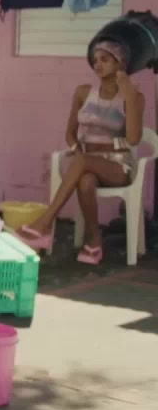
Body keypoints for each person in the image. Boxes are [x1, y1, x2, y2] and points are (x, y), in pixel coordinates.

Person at [17, 41, 143, 264]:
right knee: (85, 181)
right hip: (85, 161)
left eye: (104, 59)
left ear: (119, 63)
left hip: (117, 165)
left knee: (83, 162)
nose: (97, 64)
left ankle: (45, 223)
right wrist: (77, 150)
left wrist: (130, 96)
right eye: (95, 60)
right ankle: (94, 240)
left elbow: (133, 139)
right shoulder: (84, 93)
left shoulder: (133, 96)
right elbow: (70, 134)